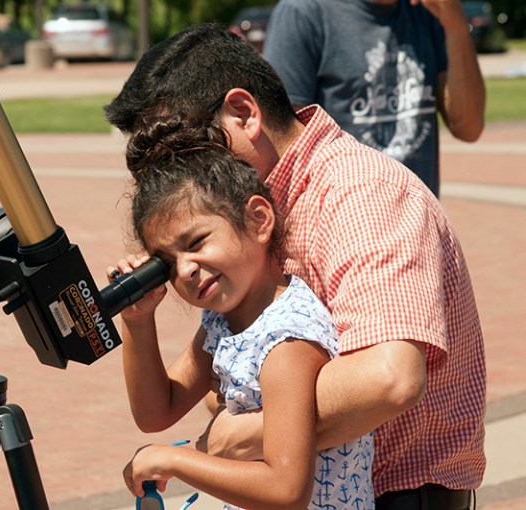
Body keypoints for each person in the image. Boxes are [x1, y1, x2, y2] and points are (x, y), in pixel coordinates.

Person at [104, 23, 484, 509]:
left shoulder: (361, 195)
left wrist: (247, 433)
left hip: (401, 497)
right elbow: (191, 389)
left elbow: (390, 379)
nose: (177, 178)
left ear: (242, 114)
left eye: (183, 152)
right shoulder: (254, 212)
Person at [112, 143, 375, 510]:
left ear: (258, 220)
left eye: (196, 242)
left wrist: (175, 461)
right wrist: (137, 320)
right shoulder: (226, 321)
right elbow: (157, 412)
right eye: (167, 265)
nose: (185, 269)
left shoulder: (286, 337)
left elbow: (286, 490)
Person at [263, 0, 486, 197]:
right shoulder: (302, 13)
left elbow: (469, 128)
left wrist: (455, 21)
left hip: (418, 225)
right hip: (345, 224)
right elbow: (282, 147)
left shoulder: (430, 12)